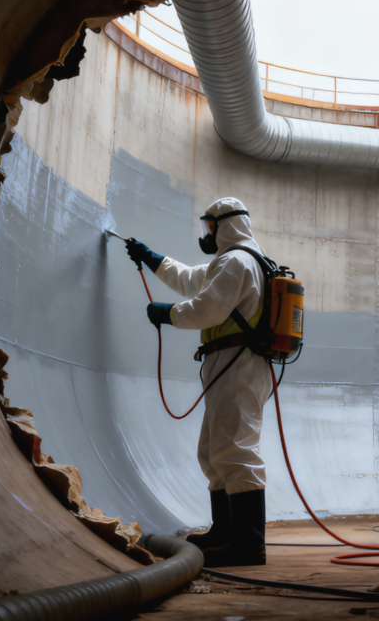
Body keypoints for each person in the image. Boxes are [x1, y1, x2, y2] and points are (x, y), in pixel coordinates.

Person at [124, 197, 271, 567]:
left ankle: (248, 545)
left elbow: (209, 309)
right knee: (213, 450)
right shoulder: (231, 261)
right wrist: (152, 258)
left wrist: (168, 315)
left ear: (225, 225)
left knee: (236, 449)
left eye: (210, 226)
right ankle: (225, 532)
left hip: (239, 363)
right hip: (230, 363)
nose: (206, 234)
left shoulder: (238, 262)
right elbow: (192, 280)